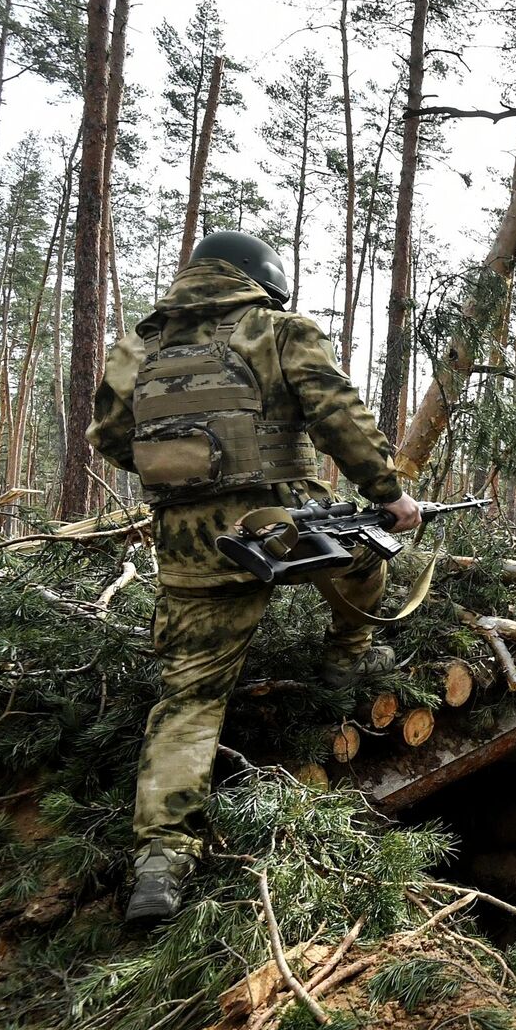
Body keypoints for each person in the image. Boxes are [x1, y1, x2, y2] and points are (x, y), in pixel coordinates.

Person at [88, 230, 422, 927]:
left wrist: (189, 474)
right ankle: (346, 661)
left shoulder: (138, 347)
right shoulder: (276, 328)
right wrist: (390, 492)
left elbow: (116, 440)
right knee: (365, 550)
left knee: (189, 700)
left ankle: (161, 860)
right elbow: (336, 413)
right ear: (261, 281)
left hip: (191, 544)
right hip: (281, 526)